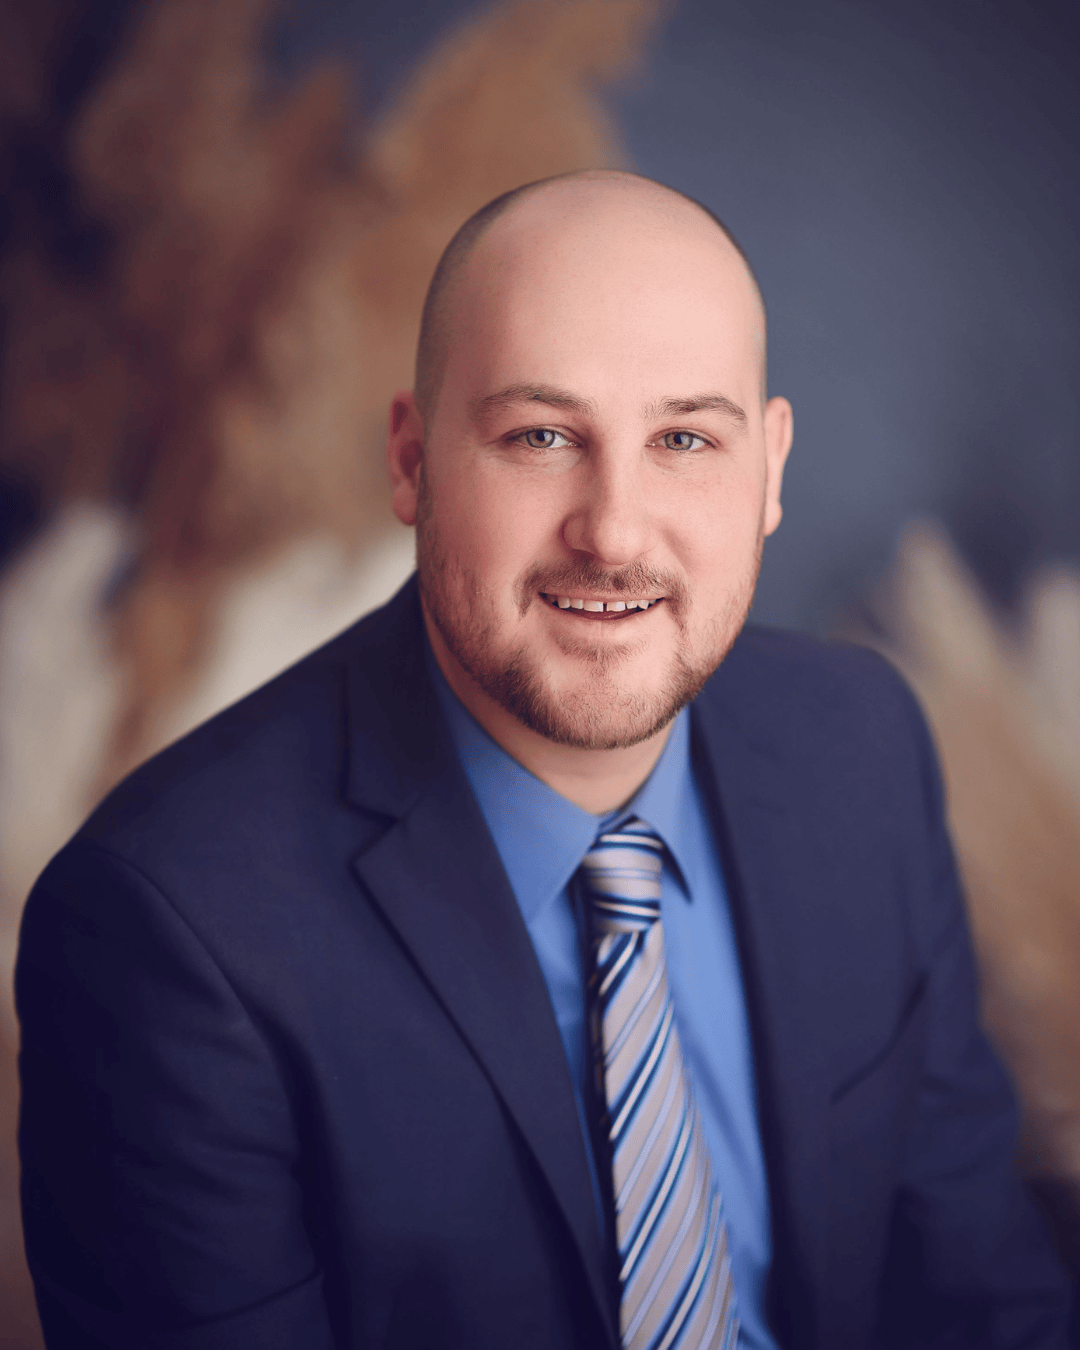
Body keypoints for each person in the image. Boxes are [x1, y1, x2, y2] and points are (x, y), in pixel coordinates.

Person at [16, 171, 1071, 1350]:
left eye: (684, 437)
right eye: (541, 435)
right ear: (412, 461)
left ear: (769, 471)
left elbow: (982, 1291)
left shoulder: (861, 745)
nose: (614, 531)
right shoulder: (169, 934)